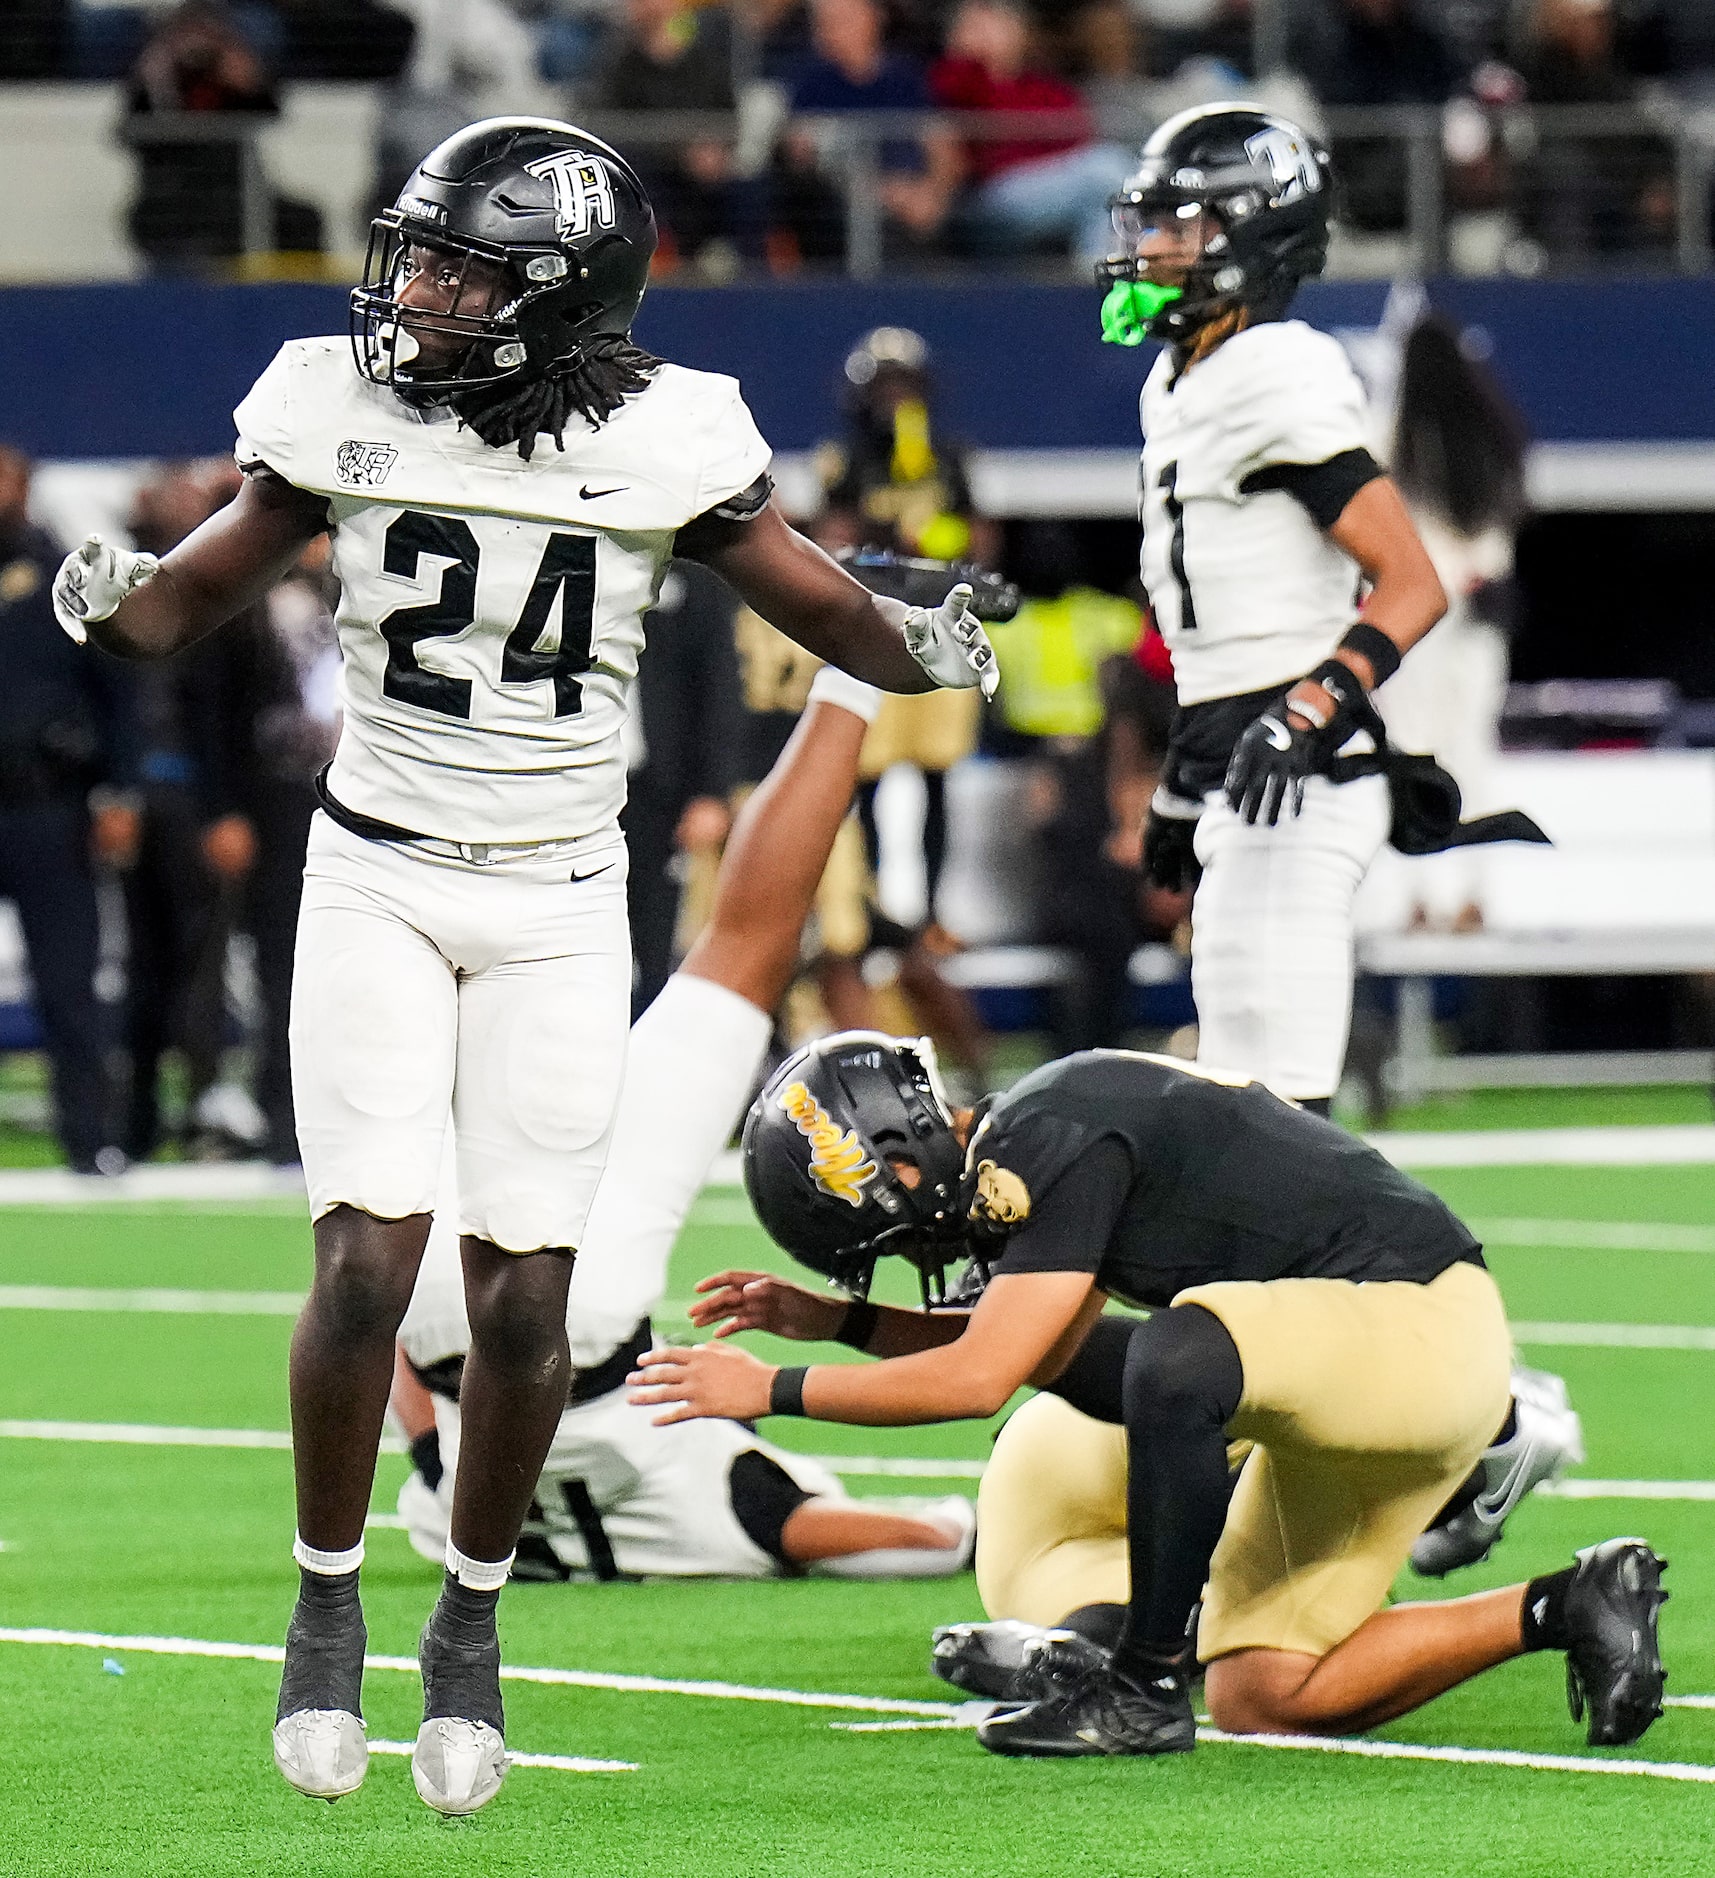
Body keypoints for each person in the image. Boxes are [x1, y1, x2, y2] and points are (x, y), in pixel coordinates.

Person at [51, 116, 997, 1817]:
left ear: (564, 302)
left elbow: (813, 597)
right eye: (416, 254)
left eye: (463, 268)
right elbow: (185, 605)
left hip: (565, 894)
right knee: (363, 1262)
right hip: (379, 874)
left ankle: (470, 1623)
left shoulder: (670, 434)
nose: (417, 290)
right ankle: (328, 1597)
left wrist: (913, 639)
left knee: (527, 1299)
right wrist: (108, 600)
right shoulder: (335, 404)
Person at [632, 1035, 1668, 1759]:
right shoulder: (1042, 1132)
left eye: (894, 1235)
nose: (921, 1253)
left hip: (1422, 1331)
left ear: (895, 1164)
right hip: (1361, 1370)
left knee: (1179, 1353)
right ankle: (1568, 1604)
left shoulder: (1043, 1136)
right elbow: (1046, 1359)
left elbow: (976, 1377)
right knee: (1265, 1691)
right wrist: (838, 1324)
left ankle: (1140, 1684)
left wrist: (768, 1387)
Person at [393, 667, 977, 1585]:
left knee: (747, 943)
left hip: (573, 1323)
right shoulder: (436, 1516)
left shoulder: (720, 1512)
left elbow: (921, 1538)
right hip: (435, 1319)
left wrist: (970, 1525)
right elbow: (420, 1414)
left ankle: (851, 678)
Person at [0, 443, 139, 1175]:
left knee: (68, 981)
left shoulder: (66, 579)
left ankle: (90, 1142)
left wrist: (120, 790)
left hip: (47, 804)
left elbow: (117, 695)